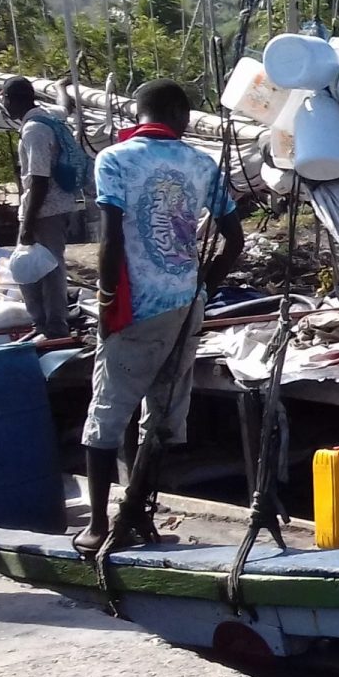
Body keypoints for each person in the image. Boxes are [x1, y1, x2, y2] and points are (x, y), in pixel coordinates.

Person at [76, 80, 242, 554]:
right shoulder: (202, 163)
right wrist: (202, 285)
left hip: (136, 307)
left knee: (107, 414)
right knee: (162, 416)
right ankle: (136, 513)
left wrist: (108, 302)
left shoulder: (114, 159)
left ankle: (97, 526)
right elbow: (235, 239)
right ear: (176, 114)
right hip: (185, 305)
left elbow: (110, 243)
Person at [1, 77, 90, 337]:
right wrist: (62, 88)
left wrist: (28, 223)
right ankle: (47, 323)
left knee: (44, 271)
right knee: (42, 266)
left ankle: (52, 327)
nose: (5, 106)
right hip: (60, 206)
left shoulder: (33, 131)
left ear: (11, 99)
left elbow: (38, 179)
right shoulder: (50, 117)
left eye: (5, 100)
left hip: (43, 211)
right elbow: (67, 107)